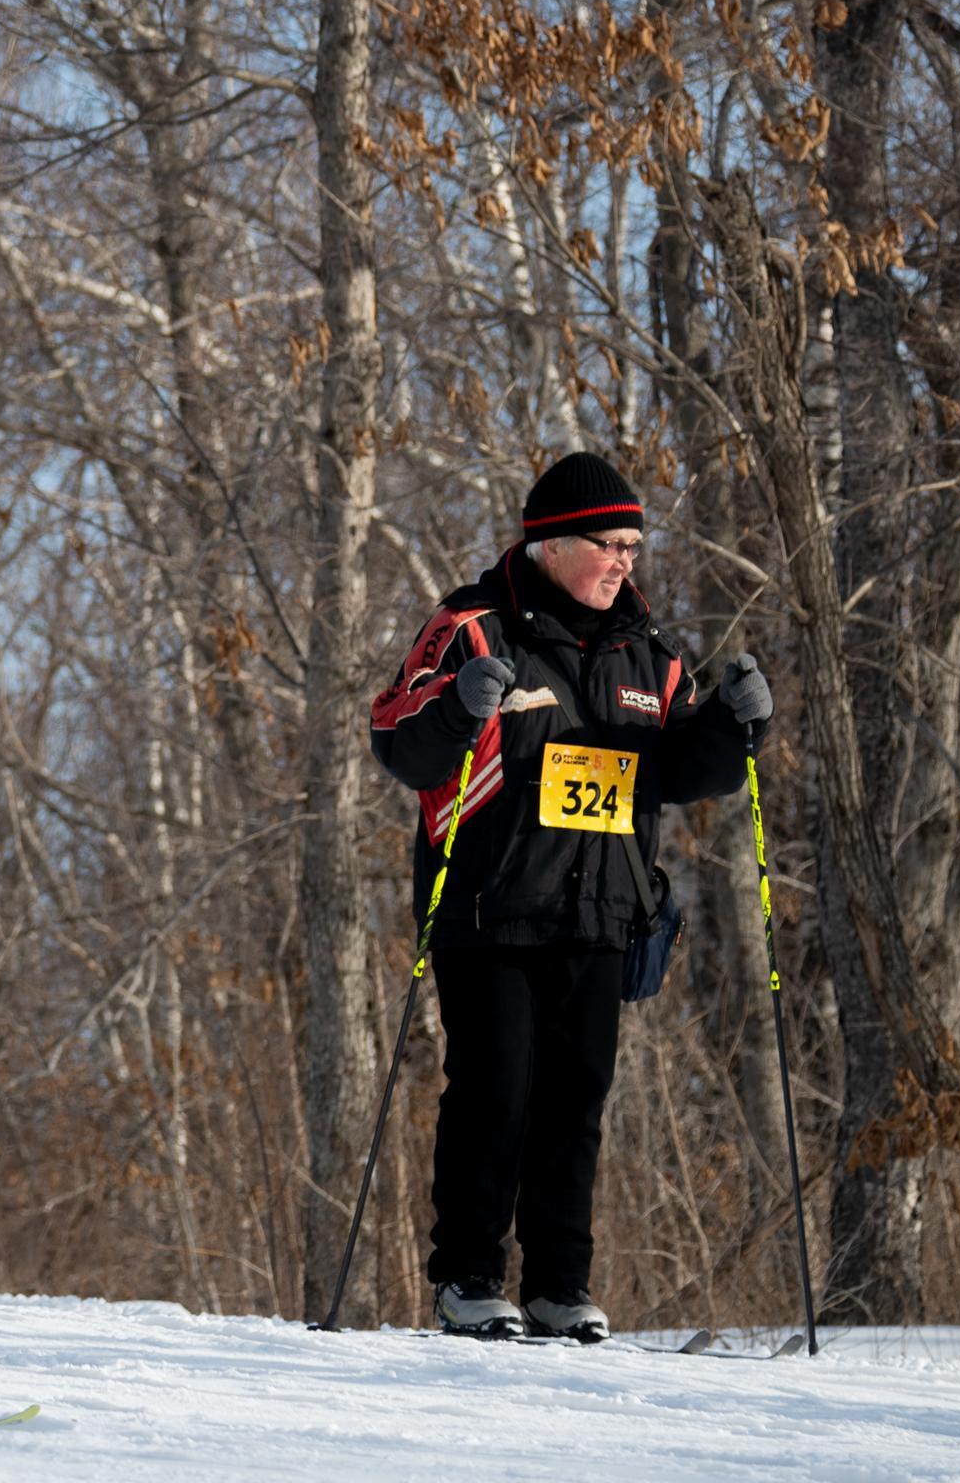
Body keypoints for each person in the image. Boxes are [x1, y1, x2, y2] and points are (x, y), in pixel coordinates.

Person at [368, 452, 772, 1343]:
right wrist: (455, 710)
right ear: (551, 544)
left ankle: (559, 1285)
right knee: (496, 1091)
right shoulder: (474, 629)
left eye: (634, 543)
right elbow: (398, 742)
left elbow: (673, 773)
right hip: (488, 906)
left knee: (576, 1100)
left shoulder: (647, 653)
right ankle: (469, 1279)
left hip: (600, 916)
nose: (625, 559)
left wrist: (733, 727)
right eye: (609, 543)